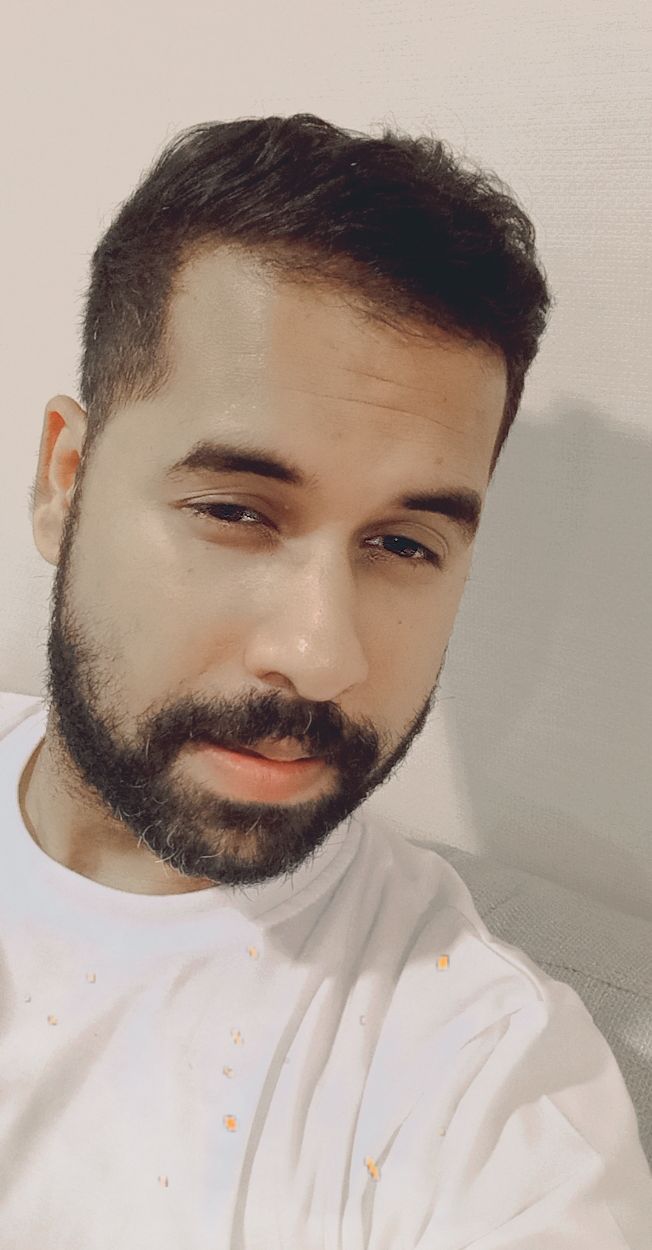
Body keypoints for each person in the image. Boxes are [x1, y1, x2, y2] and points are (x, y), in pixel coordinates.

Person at [1, 113, 649, 1248]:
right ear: (67, 480)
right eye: (235, 511)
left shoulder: (491, 1094)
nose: (321, 656)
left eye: (403, 543)